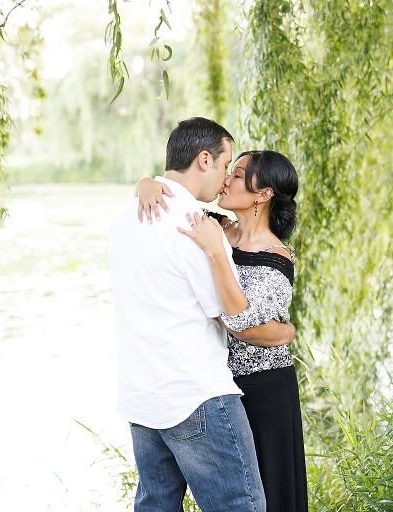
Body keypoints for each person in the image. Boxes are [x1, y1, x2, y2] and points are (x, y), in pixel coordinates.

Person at [109, 117, 294, 512]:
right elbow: (234, 317)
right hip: (195, 395)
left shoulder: (124, 217)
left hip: (141, 396)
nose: (226, 178)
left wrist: (146, 181)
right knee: (240, 505)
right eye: (227, 166)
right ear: (205, 160)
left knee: (157, 505)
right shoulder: (197, 227)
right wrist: (284, 331)